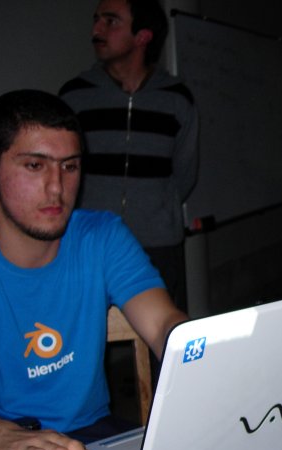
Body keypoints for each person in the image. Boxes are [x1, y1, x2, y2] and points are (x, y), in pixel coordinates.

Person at [0, 89, 188, 450]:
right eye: (35, 165)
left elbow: (164, 325)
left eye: (69, 166)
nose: (57, 188)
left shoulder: (102, 235)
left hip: (93, 439)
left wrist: (214, 362)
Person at [59, 0, 199, 313]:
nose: (96, 29)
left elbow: (185, 173)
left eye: (111, 21)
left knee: (161, 332)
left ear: (142, 36)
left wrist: (154, 210)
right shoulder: (75, 95)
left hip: (158, 245)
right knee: (90, 331)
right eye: (96, 19)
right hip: (91, 242)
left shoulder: (177, 98)